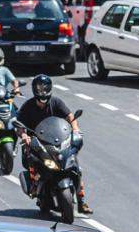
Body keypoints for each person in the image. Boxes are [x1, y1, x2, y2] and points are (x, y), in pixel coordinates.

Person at [16, 74, 92, 215]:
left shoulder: (56, 102)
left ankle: (81, 201)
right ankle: (34, 185)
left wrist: (75, 128)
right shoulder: (28, 106)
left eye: (46, 88)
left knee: (75, 166)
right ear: (35, 89)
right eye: (40, 88)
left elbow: (70, 117)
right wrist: (24, 135)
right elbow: (19, 125)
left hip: (57, 141)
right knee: (33, 162)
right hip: (37, 144)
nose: (43, 92)